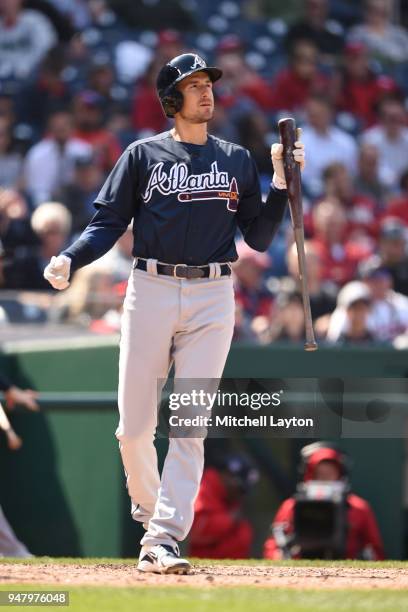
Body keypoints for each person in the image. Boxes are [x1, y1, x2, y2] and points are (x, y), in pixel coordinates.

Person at [43, 52, 306, 574]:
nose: (206, 91)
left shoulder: (233, 158)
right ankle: (150, 513)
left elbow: (256, 236)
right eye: (193, 85)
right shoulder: (143, 155)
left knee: (190, 424)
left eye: (209, 82)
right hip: (152, 286)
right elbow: (107, 223)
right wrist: (70, 257)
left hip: (214, 294)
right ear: (171, 98)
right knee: (133, 428)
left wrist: (279, 185)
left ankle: (162, 538)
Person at [264, 442, 385, 560]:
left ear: (340, 473)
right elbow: (273, 545)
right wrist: (278, 557)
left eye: (330, 473)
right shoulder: (292, 506)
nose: (325, 478)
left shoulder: (358, 508)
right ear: (310, 473)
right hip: (301, 571)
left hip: (347, 569)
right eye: (320, 473)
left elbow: (375, 549)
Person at [189, 454, 259, 559]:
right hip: (204, 563)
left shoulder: (230, 497)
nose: (240, 494)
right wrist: (229, 519)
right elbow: (197, 532)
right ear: (227, 475)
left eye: (243, 491)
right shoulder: (206, 487)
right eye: (239, 488)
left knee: (244, 531)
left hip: (229, 566)